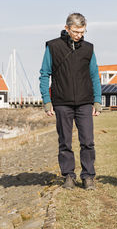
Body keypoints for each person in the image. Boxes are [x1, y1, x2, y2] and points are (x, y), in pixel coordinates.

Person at [39, 13, 102, 190]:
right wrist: (47, 100)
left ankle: (88, 176)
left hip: (84, 102)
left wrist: (97, 100)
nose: (79, 35)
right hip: (61, 102)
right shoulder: (53, 47)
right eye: (76, 31)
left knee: (88, 141)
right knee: (65, 141)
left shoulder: (88, 48)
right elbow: (44, 74)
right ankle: (68, 176)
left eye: (82, 31)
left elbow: (94, 75)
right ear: (67, 28)